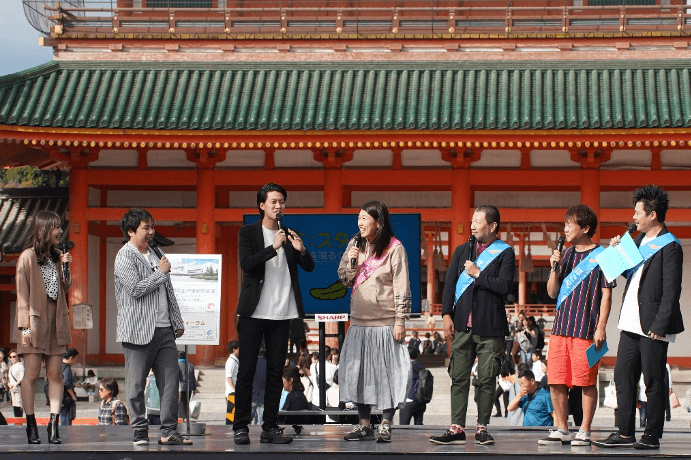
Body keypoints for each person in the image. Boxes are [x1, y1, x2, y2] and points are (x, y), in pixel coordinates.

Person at [594, 185, 684, 450]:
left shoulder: (671, 246)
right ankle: (624, 433)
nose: (633, 217)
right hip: (631, 322)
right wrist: (613, 254)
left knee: (653, 381)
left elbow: (672, 290)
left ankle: (651, 435)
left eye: (637, 213)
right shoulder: (639, 241)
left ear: (653, 214)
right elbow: (628, 276)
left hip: (653, 324)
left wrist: (661, 324)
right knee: (623, 376)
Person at [233, 183, 315, 445]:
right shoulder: (248, 233)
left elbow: (309, 267)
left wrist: (301, 250)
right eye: (274, 202)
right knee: (246, 371)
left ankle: (270, 427)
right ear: (262, 205)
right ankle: (241, 427)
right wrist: (273, 248)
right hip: (254, 313)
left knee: (274, 373)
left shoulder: (289, 233)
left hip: (283, 313)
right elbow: (246, 264)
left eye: (282, 201)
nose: (279, 206)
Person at [430, 205, 515, 446]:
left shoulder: (505, 253)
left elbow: (505, 287)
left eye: (478, 221)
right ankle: (456, 426)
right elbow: (449, 285)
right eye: (472, 220)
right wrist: (446, 314)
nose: (472, 225)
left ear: (492, 226)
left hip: (490, 326)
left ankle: (482, 427)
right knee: (458, 376)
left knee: (487, 378)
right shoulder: (461, 251)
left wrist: (479, 273)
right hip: (462, 325)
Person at [114, 208, 190, 446]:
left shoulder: (157, 252)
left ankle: (168, 430)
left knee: (170, 382)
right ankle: (139, 429)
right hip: (137, 330)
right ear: (130, 231)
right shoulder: (124, 256)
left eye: (152, 227)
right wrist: (160, 272)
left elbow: (169, 291)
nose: (151, 232)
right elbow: (136, 289)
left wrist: (176, 321)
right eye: (145, 228)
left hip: (165, 329)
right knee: (136, 384)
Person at [337, 200, 412, 442]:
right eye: (358, 218)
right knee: (358, 374)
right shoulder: (354, 245)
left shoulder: (395, 248)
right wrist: (352, 260)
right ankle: (364, 424)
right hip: (359, 322)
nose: (359, 223)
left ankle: (387, 423)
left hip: (386, 323)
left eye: (364, 218)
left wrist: (400, 320)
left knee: (388, 375)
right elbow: (344, 280)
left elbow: (402, 287)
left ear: (378, 222)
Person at [542, 204, 615, 447]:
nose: (565, 229)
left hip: (587, 330)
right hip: (560, 328)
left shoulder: (605, 254)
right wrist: (554, 266)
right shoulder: (566, 255)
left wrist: (602, 327)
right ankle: (562, 428)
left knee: (586, 381)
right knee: (556, 379)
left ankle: (584, 430)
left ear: (584, 227)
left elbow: (607, 295)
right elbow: (552, 293)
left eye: (569, 224)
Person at [12, 211, 72, 444]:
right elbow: (21, 296)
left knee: (56, 374)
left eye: (60, 227)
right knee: (32, 375)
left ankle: (53, 426)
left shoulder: (57, 257)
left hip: (56, 320)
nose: (59, 231)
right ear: (43, 229)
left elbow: (64, 288)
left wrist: (66, 267)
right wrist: (24, 330)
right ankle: (31, 426)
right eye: (55, 227)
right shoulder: (27, 257)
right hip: (33, 323)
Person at [400, 347, 428, 425]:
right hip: (421, 399)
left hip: (409, 399)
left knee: (403, 425)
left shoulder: (408, 367)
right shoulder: (421, 365)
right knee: (419, 425)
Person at [60, 348, 78, 426]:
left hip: (59, 396)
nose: (75, 361)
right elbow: (66, 383)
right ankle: (65, 434)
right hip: (66, 398)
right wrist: (73, 396)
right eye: (75, 359)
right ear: (71, 358)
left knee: (62, 415)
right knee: (66, 418)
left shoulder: (59, 366)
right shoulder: (67, 368)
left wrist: (74, 385)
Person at [178, 351, 197, 421]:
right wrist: (194, 388)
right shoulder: (190, 365)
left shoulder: (177, 365)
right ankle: (186, 417)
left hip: (181, 387)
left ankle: (182, 417)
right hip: (189, 387)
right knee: (187, 401)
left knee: (181, 402)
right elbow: (193, 377)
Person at [225, 340, 240, 425]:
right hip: (231, 392)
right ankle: (229, 430)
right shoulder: (231, 361)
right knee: (231, 414)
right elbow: (229, 376)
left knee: (234, 413)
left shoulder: (235, 360)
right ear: (234, 349)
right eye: (238, 348)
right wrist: (234, 389)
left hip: (234, 390)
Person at [252, 349, 267, 425]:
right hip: (263, 395)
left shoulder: (253, 363)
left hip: (253, 394)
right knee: (261, 419)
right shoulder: (268, 364)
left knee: (249, 417)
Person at [8, 350, 24, 417]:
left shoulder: (20, 366)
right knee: (14, 403)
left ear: (17, 357)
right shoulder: (11, 367)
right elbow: (9, 378)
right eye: (10, 357)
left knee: (18, 403)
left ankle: (19, 420)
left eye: (14, 356)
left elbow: (21, 377)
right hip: (12, 388)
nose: (12, 358)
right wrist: (9, 384)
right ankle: (16, 420)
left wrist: (16, 384)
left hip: (18, 387)